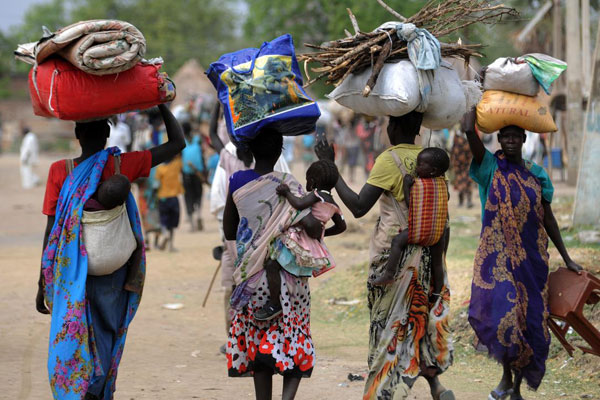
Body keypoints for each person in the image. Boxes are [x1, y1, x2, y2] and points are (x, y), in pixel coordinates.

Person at [37, 104, 184, 400]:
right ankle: (99, 391)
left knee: (73, 331)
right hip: (114, 268)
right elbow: (177, 143)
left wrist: (43, 279)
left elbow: (53, 231)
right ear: (108, 133)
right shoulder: (123, 165)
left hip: (69, 271)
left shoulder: (60, 171)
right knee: (106, 331)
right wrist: (160, 104)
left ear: (77, 134)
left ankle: (79, 390)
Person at [315, 111, 454, 400]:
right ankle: (436, 387)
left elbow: (358, 206)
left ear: (395, 125)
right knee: (421, 320)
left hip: (398, 260)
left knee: (390, 327)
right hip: (430, 254)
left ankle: (385, 392)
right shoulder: (433, 159)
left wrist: (331, 167)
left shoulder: (389, 161)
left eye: (389, 122)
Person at [461, 109, 583, 400]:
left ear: (524, 139)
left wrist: (566, 257)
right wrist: (472, 95)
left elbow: (548, 218)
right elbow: (468, 130)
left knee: (528, 322)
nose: (512, 141)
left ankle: (515, 388)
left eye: (517, 136)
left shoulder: (536, 173)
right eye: (507, 137)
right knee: (503, 318)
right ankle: (505, 376)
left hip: (533, 260)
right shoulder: (490, 165)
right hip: (498, 260)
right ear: (499, 139)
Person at [223, 127, 315, 400]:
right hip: (289, 275)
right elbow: (310, 225)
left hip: (252, 275)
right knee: (294, 333)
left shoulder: (237, 181)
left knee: (258, 337)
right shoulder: (289, 183)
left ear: (248, 151)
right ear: (279, 152)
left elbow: (229, 231)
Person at [209, 103, 290, 353]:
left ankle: (244, 337)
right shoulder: (230, 160)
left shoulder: (239, 170)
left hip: (244, 244)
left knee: (241, 288)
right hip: (264, 243)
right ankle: (250, 337)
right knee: (255, 288)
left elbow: (223, 212)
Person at [254, 159, 346, 321]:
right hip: (311, 246)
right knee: (297, 276)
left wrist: (286, 192)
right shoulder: (333, 203)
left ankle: (274, 304)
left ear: (313, 181)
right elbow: (341, 227)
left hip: (299, 240)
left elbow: (299, 204)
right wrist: (322, 236)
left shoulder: (316, 196)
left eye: (308, 179)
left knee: (271, 266)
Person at [372, 148, 449, 296]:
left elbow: (411, 205)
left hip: (420, 230)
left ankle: (389, 273)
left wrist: (407, 186)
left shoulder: (420, 185)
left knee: (397, 242)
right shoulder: (442, 184)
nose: (416, 167)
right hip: (439, 233)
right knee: (437, 262)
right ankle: (439, 291)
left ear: (432, 171)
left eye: (420, 164)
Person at [84, 174, 144, 293]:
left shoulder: (87, 202)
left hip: (87, 264)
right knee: (139, 244)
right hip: (118, 264)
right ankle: (131, 281)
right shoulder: (118, 206)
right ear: (122, 202)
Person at [155, 155, 184, 252]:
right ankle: (171, 245)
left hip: (162, 197)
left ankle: (165, 234)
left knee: (164, 220)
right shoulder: (176, 165)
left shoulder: (160, 169)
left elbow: (156, 183)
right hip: (173, 197)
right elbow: (179, 154)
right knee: (172, 222)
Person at [181, 122, 206, 231]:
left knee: (189, 196)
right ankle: (198, 216)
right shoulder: (197, 140)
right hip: (196, 173)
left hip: (189, 173)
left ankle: (193, 222)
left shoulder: (183, 142)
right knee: (197, 194)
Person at [450, 129, 474, 208]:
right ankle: (461, 202)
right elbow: (453, 149)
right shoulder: (456, 136)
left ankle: (469, 201)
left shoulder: (469, 134)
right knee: (460, 183)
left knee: (467, 182)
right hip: (458, 165)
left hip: (467, 164)